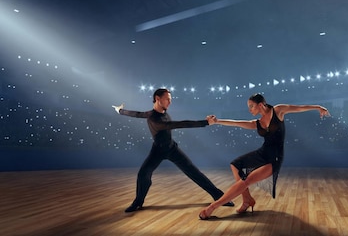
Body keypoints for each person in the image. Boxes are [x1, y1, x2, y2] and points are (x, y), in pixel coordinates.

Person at [198, 93, 330, 219]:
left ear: (261, 104)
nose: (249, 109)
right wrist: (217, 121)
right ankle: (247, 199)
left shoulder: (278, 110)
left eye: (251, 106)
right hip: (263, 152)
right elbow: (236, 123)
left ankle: (212, 207)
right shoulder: (257, 123)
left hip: (274, 158)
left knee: (246, 180)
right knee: (235, 165)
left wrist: (318, 107)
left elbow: (298, 108)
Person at [113, 88, 234, 213]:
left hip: (171, 149)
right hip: (157, 151)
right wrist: (205, 122)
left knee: (195, 173)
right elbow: (180, 124)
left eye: (170, 100)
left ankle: (220, 197)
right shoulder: (153, 118)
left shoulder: (162, 113)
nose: (170, 102)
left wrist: (120, 110)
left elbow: (136, 114)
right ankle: (138, 202)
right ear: (157, 99)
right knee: (143, 174)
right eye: (167, 99)